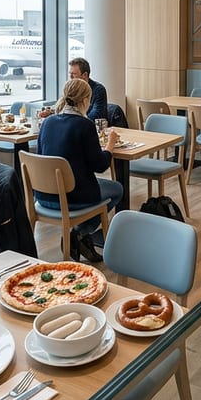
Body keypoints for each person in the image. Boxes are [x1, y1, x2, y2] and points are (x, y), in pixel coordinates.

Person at [34, 78, 122, 262]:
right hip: (72, 198)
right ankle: (81, 232)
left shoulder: (48, 123)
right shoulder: (85, 125)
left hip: (43, 198)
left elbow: (41, 156)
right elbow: (100, 166)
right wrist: (110, 145)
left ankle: (80, 236)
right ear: (85, 101)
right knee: (116, 189)